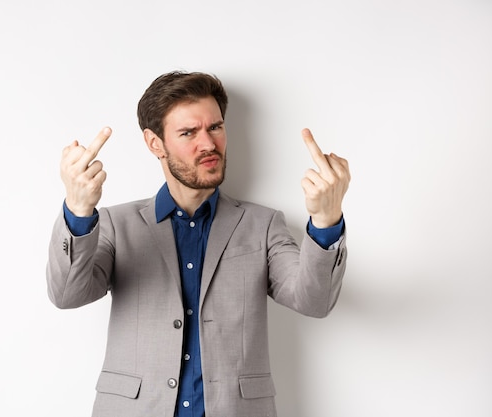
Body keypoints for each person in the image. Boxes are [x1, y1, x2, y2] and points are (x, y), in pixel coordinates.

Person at [46, 71, 350, 417]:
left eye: (215, 128)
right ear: (154, 143)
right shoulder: (118, 225)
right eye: (188, 132)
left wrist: (326, 220)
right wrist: (78, 210)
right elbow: (67, 294)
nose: (208, 144)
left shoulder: (263, 225)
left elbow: (315, 301)